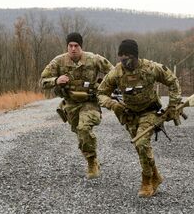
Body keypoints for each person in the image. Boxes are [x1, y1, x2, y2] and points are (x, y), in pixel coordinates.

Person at [97, 39, 182, 197]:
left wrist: (172, 106)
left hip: (150, 112)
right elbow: (100, 93)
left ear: (135, 56)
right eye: (120, 55)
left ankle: (147, 181)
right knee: (139, 147)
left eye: (127, 55)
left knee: (141, 142)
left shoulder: (150, 68)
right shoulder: (116, 72)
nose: (123, 58)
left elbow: (172, 81)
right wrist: (112, 104)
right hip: (129, 114)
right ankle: (156, 176)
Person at [40, 32, 114, 179]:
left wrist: (105, 86)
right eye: (70, 45)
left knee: (84, 128)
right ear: (67, 46)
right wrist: (56, 80)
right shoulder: (59, 61)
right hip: (71, 104)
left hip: (90, 102)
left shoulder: (94, 59)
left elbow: (114, 73)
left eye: (76, 45)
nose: (73, 48)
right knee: (80, 134)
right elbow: (42, 81)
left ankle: (92, 162)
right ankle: (91, 158)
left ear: (81, 46)